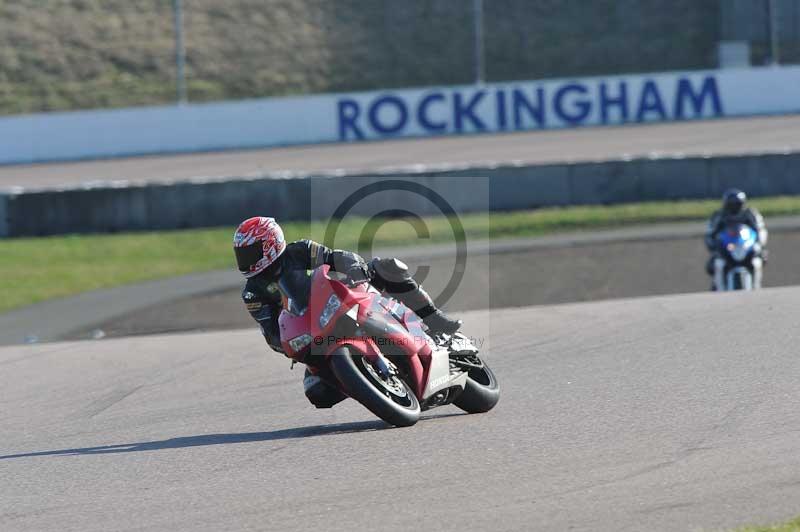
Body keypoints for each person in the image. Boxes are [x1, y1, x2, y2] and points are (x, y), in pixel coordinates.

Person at [233, 216, 462, 408]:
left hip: (340, 300)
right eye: (242, 254)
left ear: (270, 243)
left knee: (386, 266)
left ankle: (434, 318)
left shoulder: (300, 250)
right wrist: (286, 344)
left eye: (250, 252)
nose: (245, 260)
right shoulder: (252, 293)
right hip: (313, 334)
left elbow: (336, 257)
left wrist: (354, 268)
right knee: (318, 393)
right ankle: (370, 383)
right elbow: (271, 332)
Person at [704, 188, 768, 290]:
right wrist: (714, 246)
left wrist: (759, 244)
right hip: (726, 250)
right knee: (718, 262)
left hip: (745, 248)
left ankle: (756, 287)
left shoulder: (750, 214)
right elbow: (710, 234)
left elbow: (760, 230)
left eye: (737, 204)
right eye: (732, 204)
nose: (734, 207)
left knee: (757, 260)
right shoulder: (719, 216)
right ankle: (720, 289)